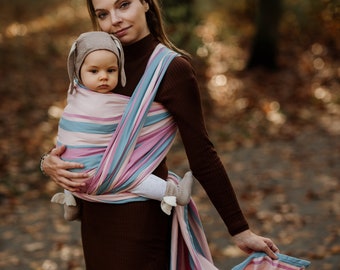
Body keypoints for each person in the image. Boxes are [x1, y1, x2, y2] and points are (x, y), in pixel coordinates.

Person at [40, 0, 280, 269]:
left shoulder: (172, 69)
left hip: (139, 217)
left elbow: (202, 154)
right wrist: (49, 161)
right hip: (94, 214)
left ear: (145, 3)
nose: (114, 20)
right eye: (103, 14)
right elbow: (82, 130)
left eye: (124, 5)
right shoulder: (93, 61)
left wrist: (239, 229)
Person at [51, 31, 193, 221]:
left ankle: (71, 202)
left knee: (71, 158)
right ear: (78, 71)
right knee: (133, 178)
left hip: (70, 173)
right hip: (92, 172)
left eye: (111, 70)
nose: (103, 77)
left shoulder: (74, 95)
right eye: (94, 71)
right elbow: (137, 114)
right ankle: (173, 193)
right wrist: (163, 113)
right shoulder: (109, 104)